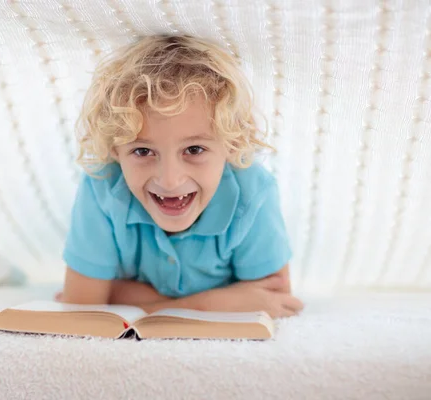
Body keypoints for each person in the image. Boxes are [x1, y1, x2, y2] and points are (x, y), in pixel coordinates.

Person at [57, 35, 303, 318]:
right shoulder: (102, 187)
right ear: (115, 149)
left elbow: (274, 301)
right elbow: (81, 309)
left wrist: (118, 293)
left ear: (231, 144)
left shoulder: (252, 191)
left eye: (194, 149)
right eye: (142, 151)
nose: (170, 180)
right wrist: (213, 304)